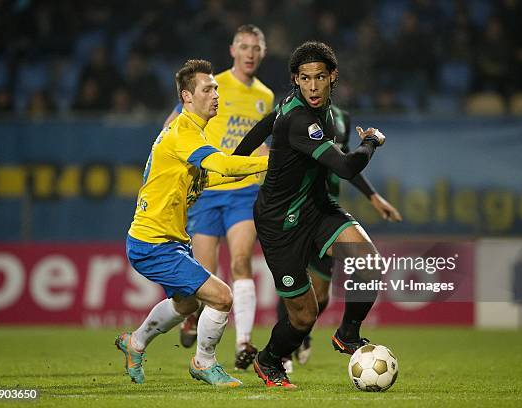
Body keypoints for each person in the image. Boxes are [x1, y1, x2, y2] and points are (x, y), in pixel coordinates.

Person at [235, 41, 387, 388]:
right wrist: (372, 141)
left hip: (317, 208)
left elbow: (263, 125)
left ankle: (348, 334)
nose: (313, 86)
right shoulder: (302, 119)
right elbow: (347, 167)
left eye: (320, 77)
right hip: (280, 224)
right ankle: (269, 359)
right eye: (305, 79)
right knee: (304, 316)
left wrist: (236, 160)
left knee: (369, 263)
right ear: (295, 80)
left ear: (332, 77)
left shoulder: (311, 106)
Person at [115, 59, 268, 387]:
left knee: (186, 303)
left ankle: (135, 343)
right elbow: (223, 166)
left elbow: (212, 178)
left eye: (216, 88)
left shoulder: (189, 134)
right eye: (207, 89)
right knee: (222, 297)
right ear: (187, 96)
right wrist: (271, 160)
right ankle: (204, 362)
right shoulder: (184, 131)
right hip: (153, 243)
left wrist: (259, 169)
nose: (216, 94)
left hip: (168, 239)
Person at [163, 24, 274, 370]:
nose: (250, 53)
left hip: (243, 190)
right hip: (208, 190)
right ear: (233, 50)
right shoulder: (213, 84)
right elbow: (174, 124)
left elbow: (260, 140)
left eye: (256, 47)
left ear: (263, 52)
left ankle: (243, 343)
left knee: (242, 262)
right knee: (205, 275)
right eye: (244, 46)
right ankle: (191, 317)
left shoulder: (266, 97)